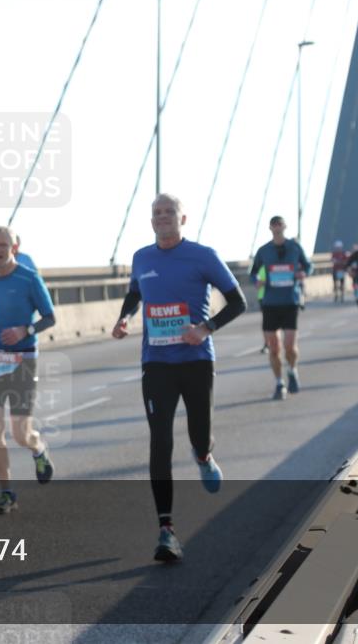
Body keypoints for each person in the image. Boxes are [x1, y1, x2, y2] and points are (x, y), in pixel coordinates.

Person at [112, 193, 247, 562]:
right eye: (157, 213)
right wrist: (124, 318)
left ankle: (203, 455)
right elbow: (134, 294)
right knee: (160, 441)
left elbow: (238, 302)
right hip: (156, 362)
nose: (163, 217)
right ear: (151, 220)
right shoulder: (142, 258)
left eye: (170, 212)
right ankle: (166, 530)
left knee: (198, 433)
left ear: (182, 219)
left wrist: (205, 328)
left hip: (196, 359)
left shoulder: (203, 256)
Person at [0, 226, 56, 515]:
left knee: (21, 433)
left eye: (2, 244)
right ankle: (7, 493)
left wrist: (26, 329)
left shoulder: (28, 277)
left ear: (15, 246)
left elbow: (50, 317)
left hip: (23, 360)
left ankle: (37, 448)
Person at [250, 216, 313, 400]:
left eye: (280, 224)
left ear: (285, 226)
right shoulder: (263, 251)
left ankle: (292, 370)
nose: (277, 227)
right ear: (270, 228)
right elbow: (253, 273)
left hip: (290, 301)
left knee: (289, 347)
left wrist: (303, 274)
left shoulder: (294, 247)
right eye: (274, 225)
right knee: (274, 347)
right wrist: (257, 281)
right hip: (270, 302)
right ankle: (279, 382)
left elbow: (309, 266)